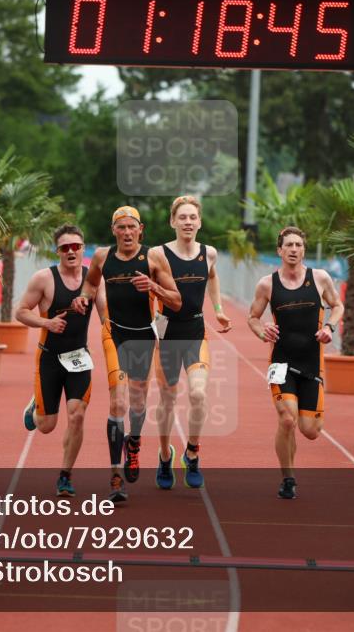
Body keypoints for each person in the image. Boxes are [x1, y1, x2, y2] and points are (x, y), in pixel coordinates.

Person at [71, 206, 181, 503]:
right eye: (121, 227)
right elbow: (92, 282)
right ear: (113, 230)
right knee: (117, 400)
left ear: (140, 229)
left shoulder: (153, 258)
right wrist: (83, 297)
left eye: (132, 227)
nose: (127, 232)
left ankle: (134, 441)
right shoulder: (103, 257)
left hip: (144, 334)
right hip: (114, 332)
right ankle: (116, 474)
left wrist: (154, 287)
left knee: (137, 401)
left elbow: (177, 300)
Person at [247, 226, 343, 499]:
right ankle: (288, 478)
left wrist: (330, 328)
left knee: (310, 431)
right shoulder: (267, 284)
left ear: (304, 249)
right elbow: (252, 317)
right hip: (282, 363)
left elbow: (338, 305)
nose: (293, 249)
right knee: (287, 419)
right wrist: (262, 330)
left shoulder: (320, 278)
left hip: (313, 363)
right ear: (279, 250)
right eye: (288, 245)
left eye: (298, 245)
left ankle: (302, 434)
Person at [153, 196, 232, 490]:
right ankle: (164, 456)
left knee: (198, 394)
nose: (188, 222)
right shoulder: (157, 254)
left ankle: (193, 453)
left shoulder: (209, 253)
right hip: (166, 334)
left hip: (196, 332)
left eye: (192, 217)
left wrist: (219, 310)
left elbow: (212, 278)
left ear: (199, 222)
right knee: (167, 399)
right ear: (172, 221)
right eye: (182, 217)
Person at [15, 225, 94, 497]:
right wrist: (46, 322)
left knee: (77, 415)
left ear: (83, 248)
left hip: (79, 358)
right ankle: (35, 408)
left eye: (76, 246)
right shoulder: (43, 279)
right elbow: (21, 312)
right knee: (46, 426)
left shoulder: (93, 279)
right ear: (57, 251)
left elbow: (107, 311)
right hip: (49, 359)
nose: (71, 252)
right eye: (65, 248)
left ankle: (65, 475)